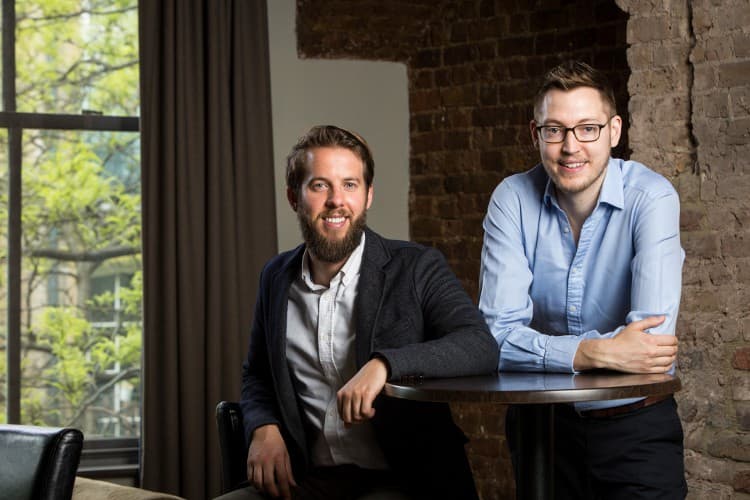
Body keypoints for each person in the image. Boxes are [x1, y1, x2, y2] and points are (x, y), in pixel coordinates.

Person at [220, 125, 498, 500]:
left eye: (349, 184)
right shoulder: (276, 277)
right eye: (320, 185)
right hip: (306, 480)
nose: (336, 200)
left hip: (404, 483)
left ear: (368, 195)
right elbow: (257, 374)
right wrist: (263, 428)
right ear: (293, 197)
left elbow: (480, 346)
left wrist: (384, 365)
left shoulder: (416, 266)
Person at [478, 61, 687, 499]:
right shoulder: (512, 200)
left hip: (636, 429)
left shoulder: (651, 198)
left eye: (588, 129)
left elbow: (650, 346)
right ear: (535, 135)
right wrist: (596, 351)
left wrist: (542, 351)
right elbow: (495, 338)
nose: (571, 147)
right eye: (555, 130)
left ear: (614, 131)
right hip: (543, 431)